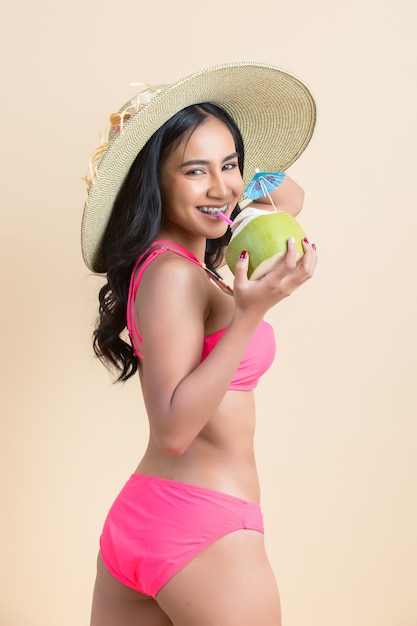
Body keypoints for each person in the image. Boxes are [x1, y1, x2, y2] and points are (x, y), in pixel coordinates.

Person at [81, 62, 318, 626]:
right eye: (194, 171)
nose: (222, 188)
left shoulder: (184, 263)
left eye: (229, 165)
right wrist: (250, 315)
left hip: (150, 520)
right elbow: (173, 428)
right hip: (204, 531)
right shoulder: (173, 275)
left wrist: (225, 153)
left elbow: (293, 199)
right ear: (153, 181)